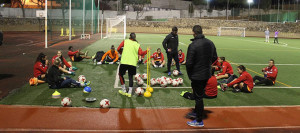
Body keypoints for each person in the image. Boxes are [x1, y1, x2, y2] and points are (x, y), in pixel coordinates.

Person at [186, 25, 218, 127]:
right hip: (206, 74)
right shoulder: (210, 43)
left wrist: (190, 74)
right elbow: (215, 57)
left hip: (197, 75)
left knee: (198, 97)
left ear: (194, 32)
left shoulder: (193, 45)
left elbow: (189, 63)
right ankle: (196, 112)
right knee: (197, 95)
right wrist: (206, 65)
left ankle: (199, 121)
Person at [117, 33, 145, 98]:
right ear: (135, 37)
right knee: (130, 77)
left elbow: (118, 48)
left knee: (120, 75)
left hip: (124, 61)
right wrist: (147, 51)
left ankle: (124, 90)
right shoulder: (137, 44)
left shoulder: (125, 41)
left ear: (130, 37)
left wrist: (122, 53)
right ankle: (129, 92)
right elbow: (141, 53)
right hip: (132, 63)